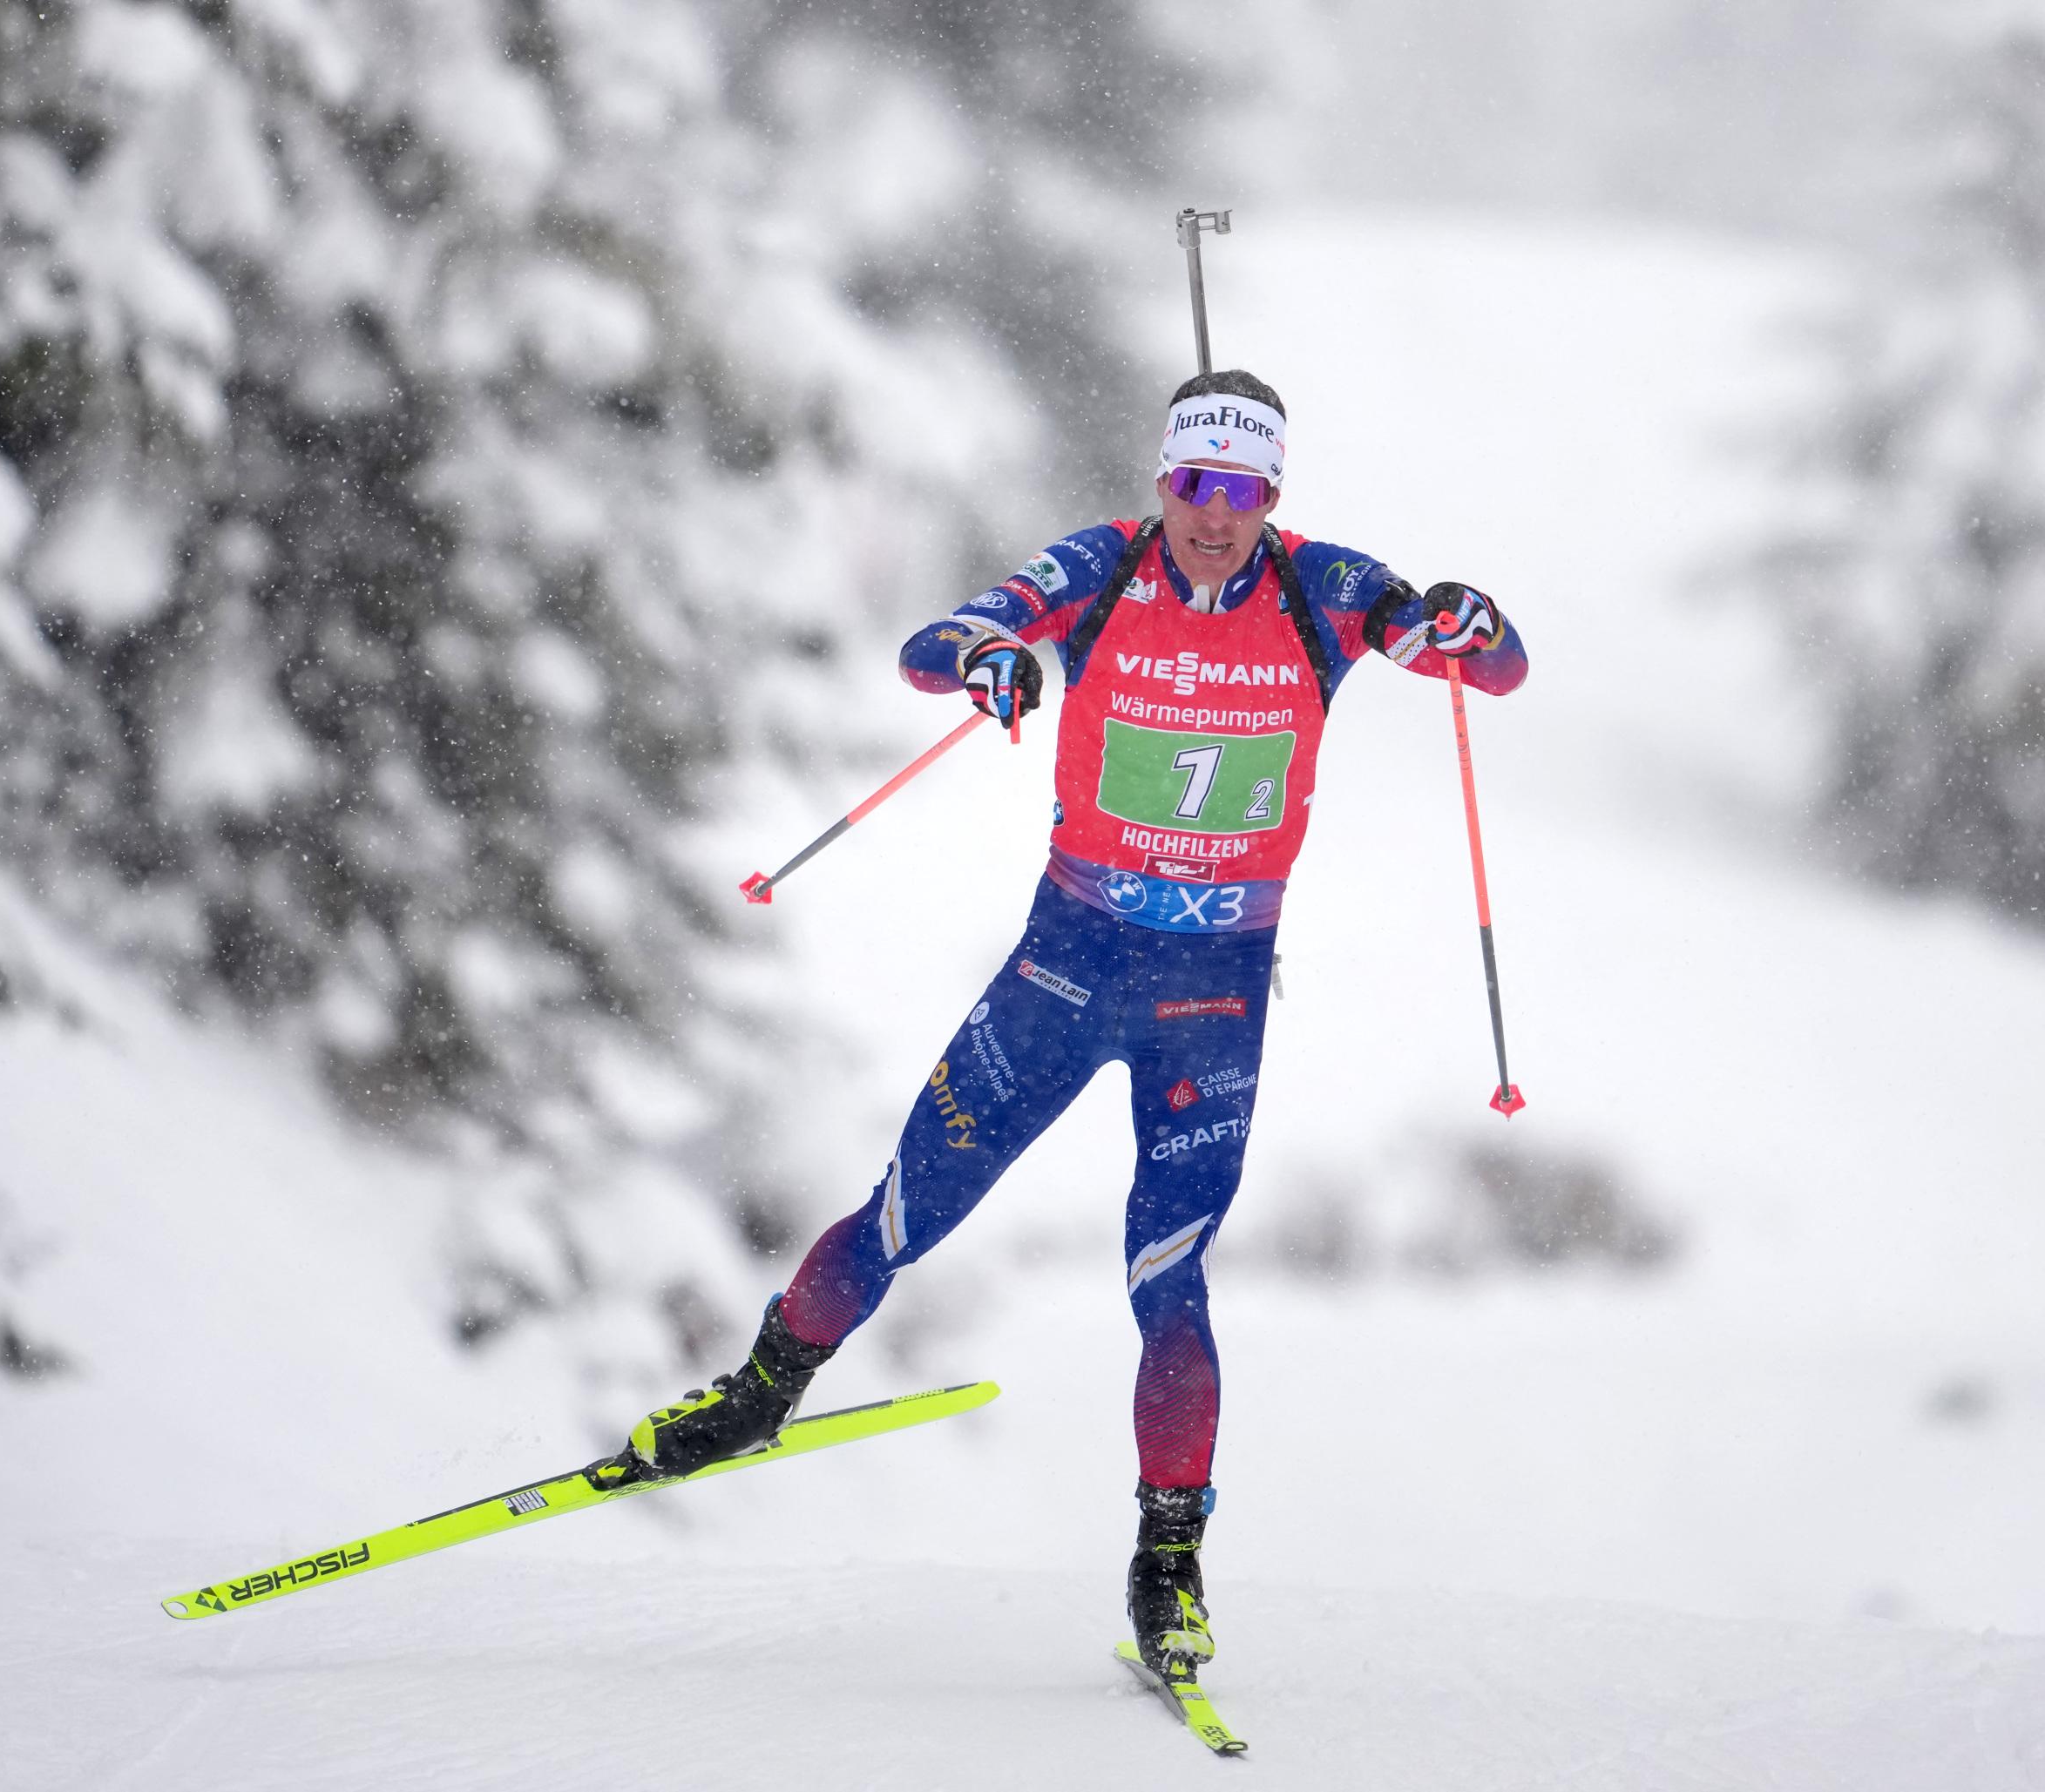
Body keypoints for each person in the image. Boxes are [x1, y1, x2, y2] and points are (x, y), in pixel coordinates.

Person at [587, 370, 1528, 1684]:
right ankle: (759, 1395)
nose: (1215, 512)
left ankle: (1168, 1563)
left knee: (1169, 1278)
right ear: (1164, 480)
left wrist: (1468, 623)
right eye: (1195, 482)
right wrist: (990, 655)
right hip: (1065, 968)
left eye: (1243, 488)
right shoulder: (1099, 567)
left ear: (1273, 497)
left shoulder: (1323, 588)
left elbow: (1486, 660)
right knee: (903, 1210)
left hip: (1213, 1001)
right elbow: (938, 641)